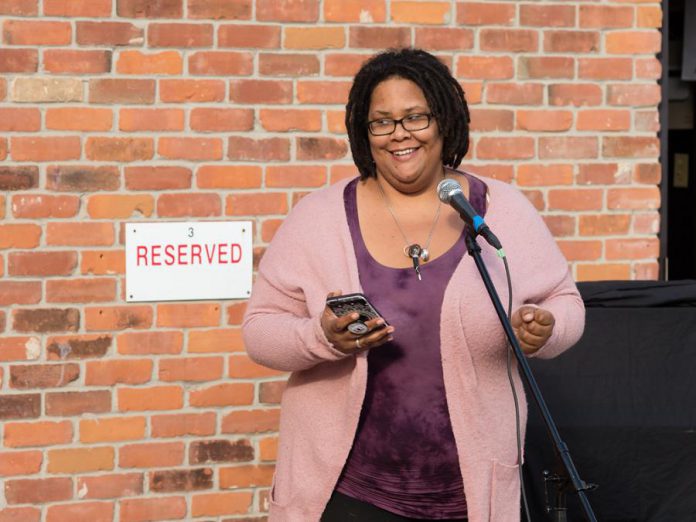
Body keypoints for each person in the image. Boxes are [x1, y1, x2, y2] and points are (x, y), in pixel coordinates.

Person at [242, 48, 585, 522]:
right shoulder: (317, 218)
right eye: (381, 122)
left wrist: (548, 329)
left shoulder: (501, 211)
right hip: (347, 491)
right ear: (365, 134)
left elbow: (564, 302)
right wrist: (320, 337)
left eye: (415, 117)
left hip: (471, 490)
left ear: (443, 120)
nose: (399, 133)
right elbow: (259, 331)